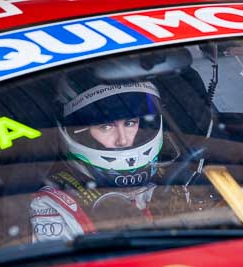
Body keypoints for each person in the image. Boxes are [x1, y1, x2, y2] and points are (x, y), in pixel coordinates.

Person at [29, 61, 173, 242]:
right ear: (79, 133)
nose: (123, 140)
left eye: (130, 123)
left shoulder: (172, 184)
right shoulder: (53, 206)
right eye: (106, 127)